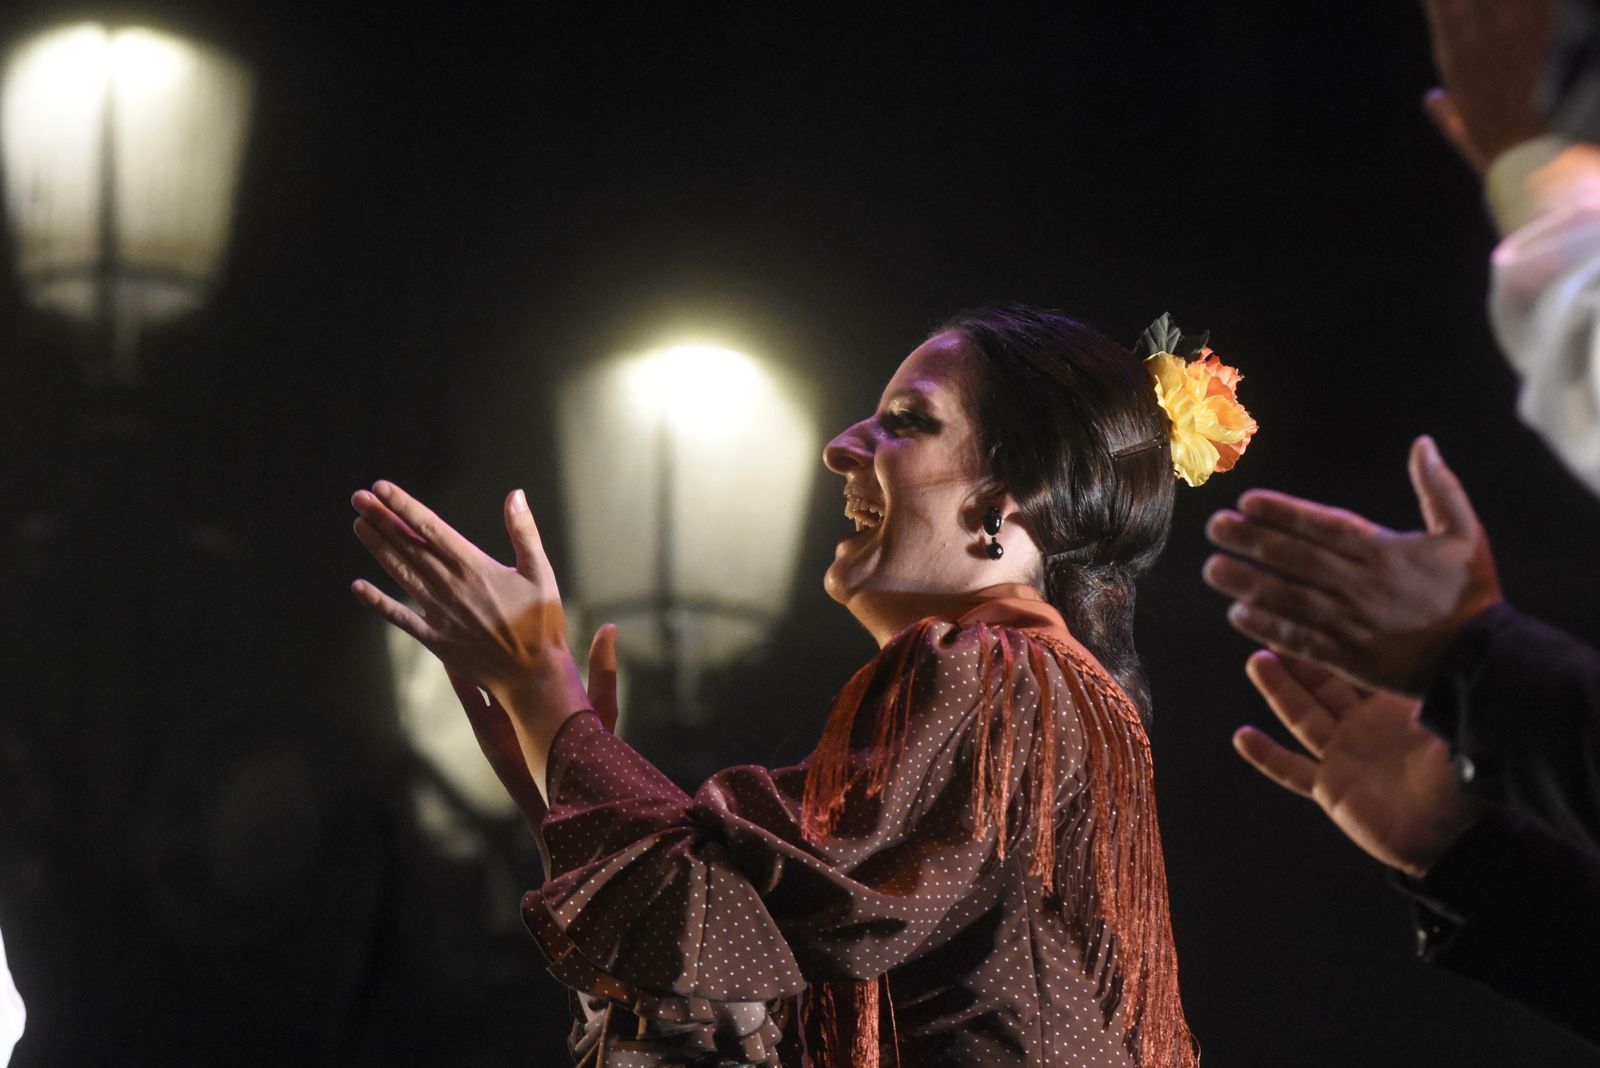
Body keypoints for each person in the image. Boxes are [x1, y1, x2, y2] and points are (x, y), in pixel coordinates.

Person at [351, 305, 1252, 1067]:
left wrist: (544, 690)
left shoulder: (994, 672)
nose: (839, 447)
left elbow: (717, 925)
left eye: (906, 421)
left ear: (1004, 502)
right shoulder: (1048, 699)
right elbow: (729, 997)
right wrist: (564, 780)